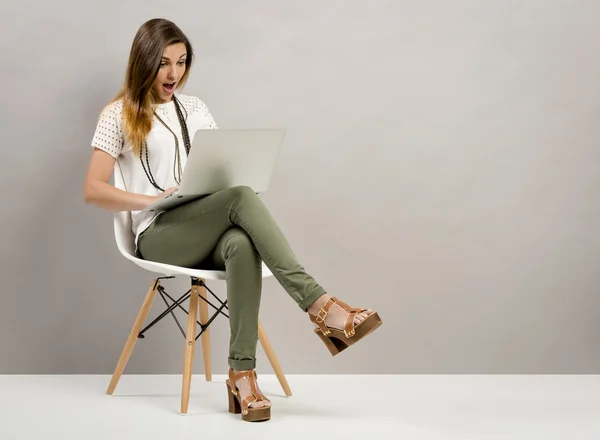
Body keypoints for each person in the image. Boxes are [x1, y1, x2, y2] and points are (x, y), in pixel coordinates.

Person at [83, 18, 382, 422]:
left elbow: (220, 168)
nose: (175, 74)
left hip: (202, 223)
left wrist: (231, 176)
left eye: (182, 61)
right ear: (144, 63)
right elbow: (93, 190)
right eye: (164, 63)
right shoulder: (118, 114)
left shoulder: (196, 108)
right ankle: (321, 307)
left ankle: (242, 375)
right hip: (158, 234)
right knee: (240, 198)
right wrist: (151, 200)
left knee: (240, 243)